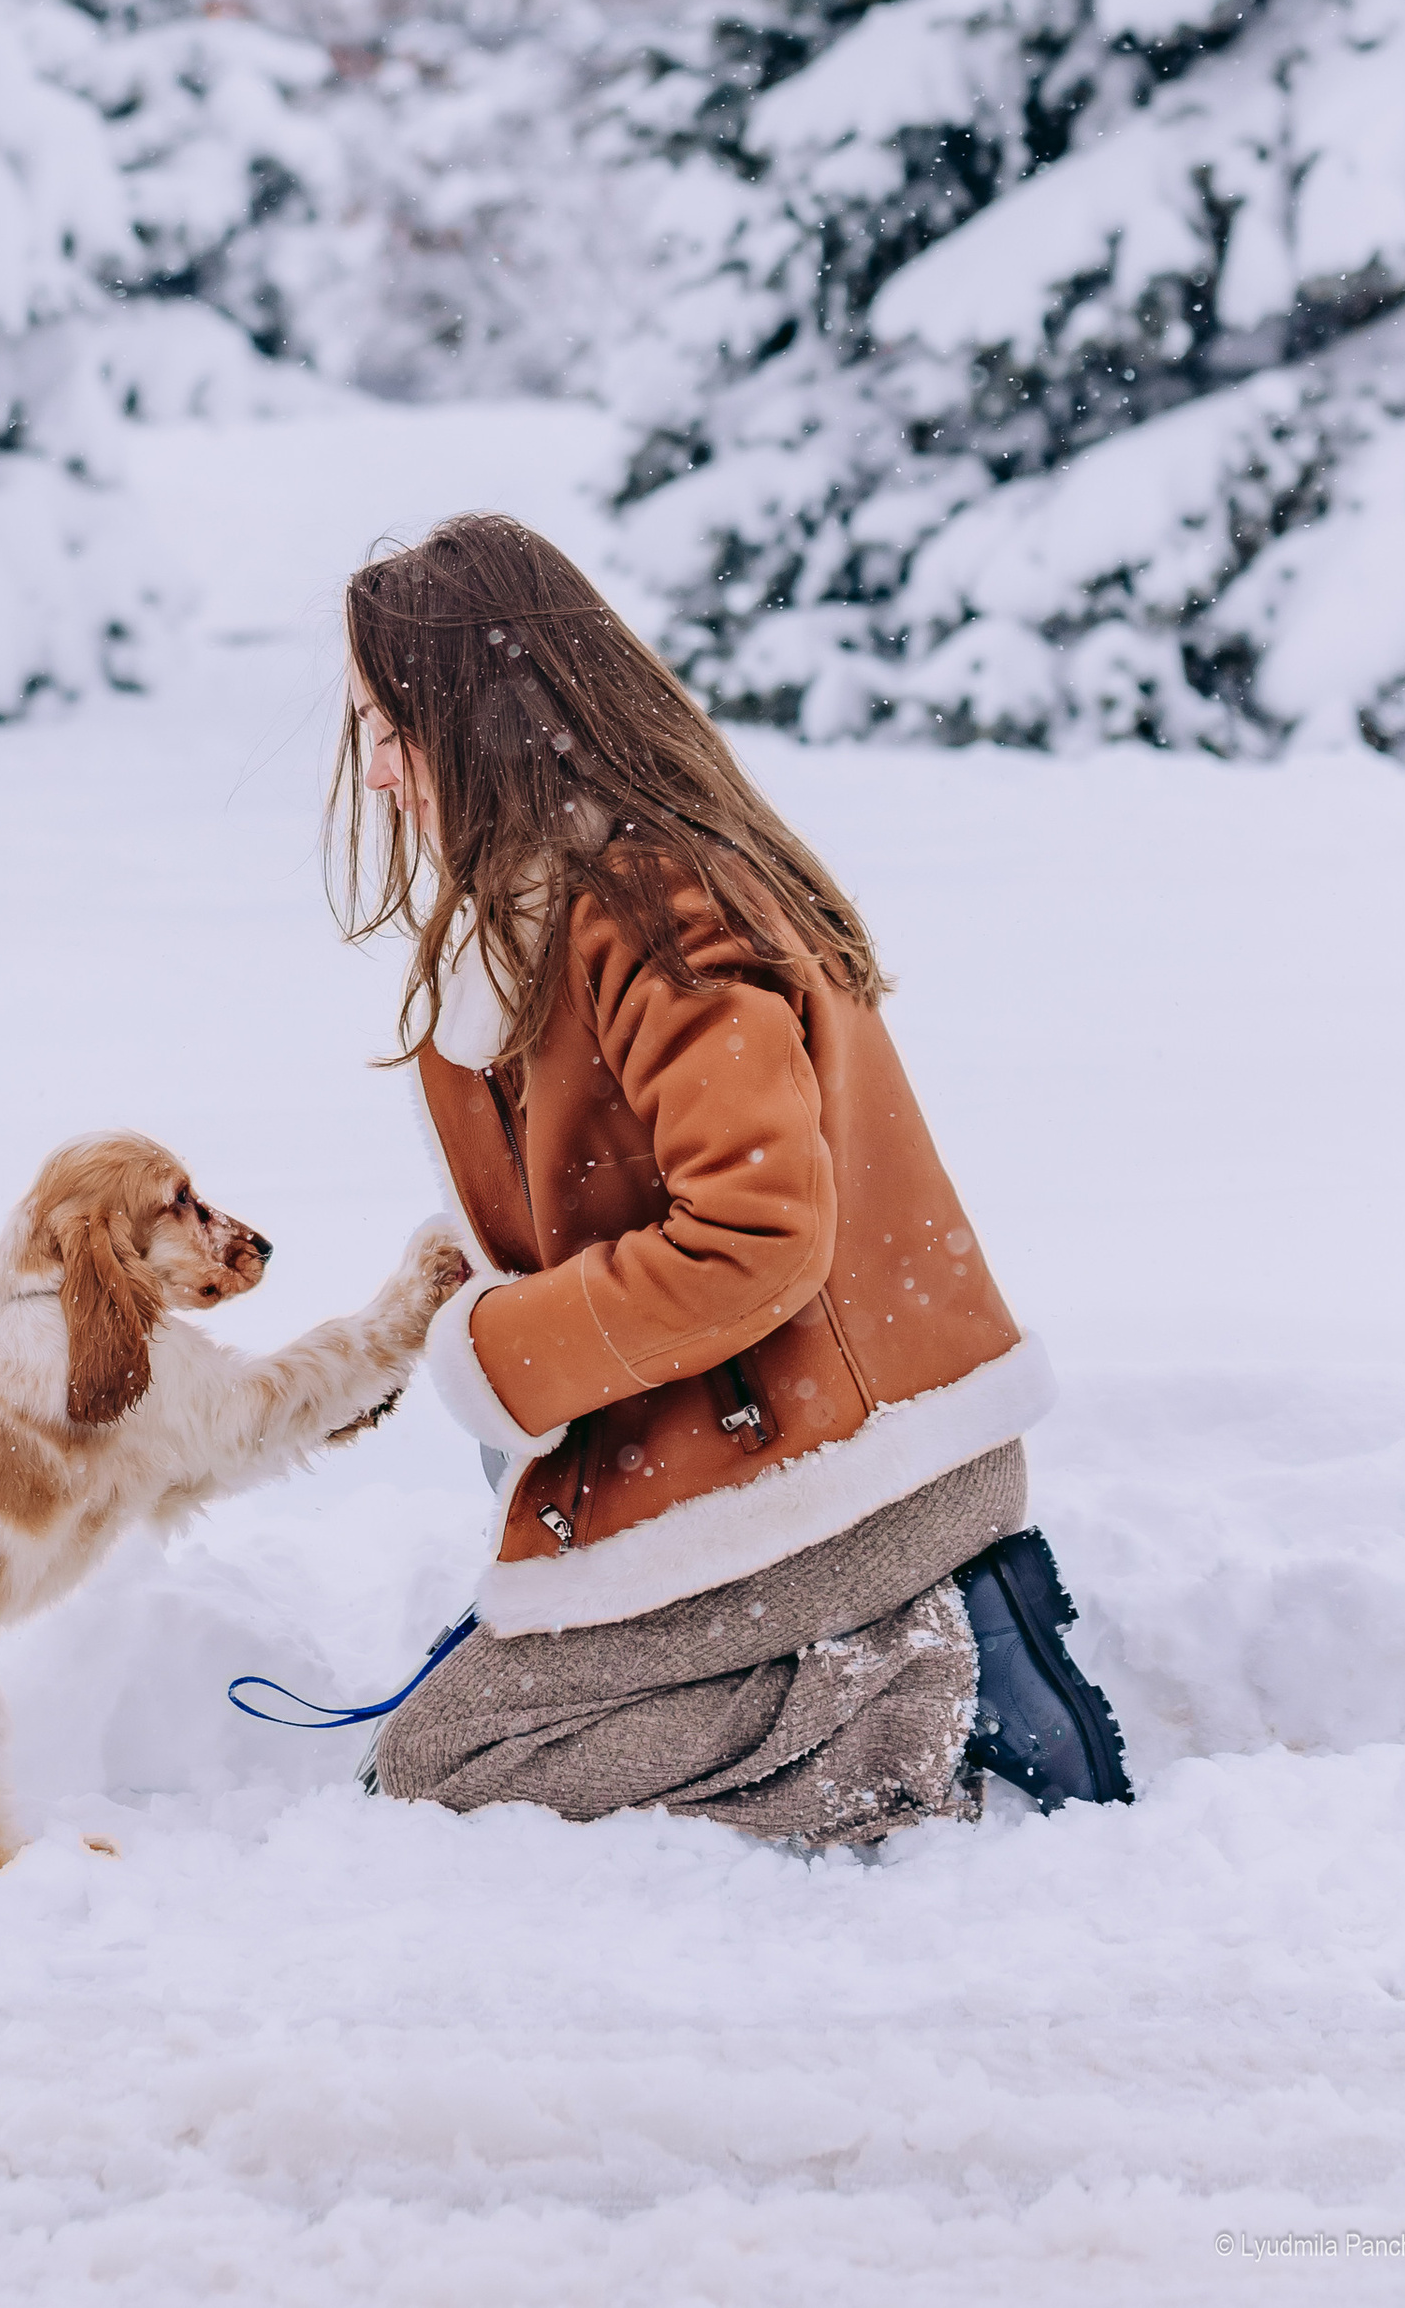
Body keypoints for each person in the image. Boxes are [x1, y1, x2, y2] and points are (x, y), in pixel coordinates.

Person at [339, 514, 1129, 1850]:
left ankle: (922, 1687)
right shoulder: (570, 908)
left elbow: (755, 1235)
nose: (375, 770)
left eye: (389, 725)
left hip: (857, 1473)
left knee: (445, 1762)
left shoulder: (654, 908)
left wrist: (505, 1346)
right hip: (780, 1451)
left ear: (477, 718)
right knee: (447, 1745)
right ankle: (844, 1658)